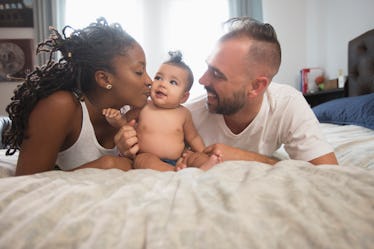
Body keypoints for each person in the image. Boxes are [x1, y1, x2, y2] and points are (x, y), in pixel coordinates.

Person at [115, 17, 338, 169]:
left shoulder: (287, 104)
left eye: (217, 74)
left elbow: (328, 174)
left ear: (256, 86)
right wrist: (127, 145)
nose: (202, 80)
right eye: (207, 67)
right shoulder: (189, 113)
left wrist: (244, 157)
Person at [2, 17, 153, 175]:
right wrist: (105, 165)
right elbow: (26, 182)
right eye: (139, 72)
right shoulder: (60, 106)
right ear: (104, 79)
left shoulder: (136, 110)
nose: (149, 81)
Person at [103, 51, 222, 171]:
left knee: (196, 158)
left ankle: (208, 166)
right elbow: (125, 123)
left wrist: (203, 153)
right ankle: (174, 174)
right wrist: (116, 119)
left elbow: (193, 137)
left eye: (173, 82)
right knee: (142, 161)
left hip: (178, 159)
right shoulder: (144, 107)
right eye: (158, 78)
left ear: (183, 97)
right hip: (147, 156)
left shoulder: (183, 113)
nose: (162, 84)